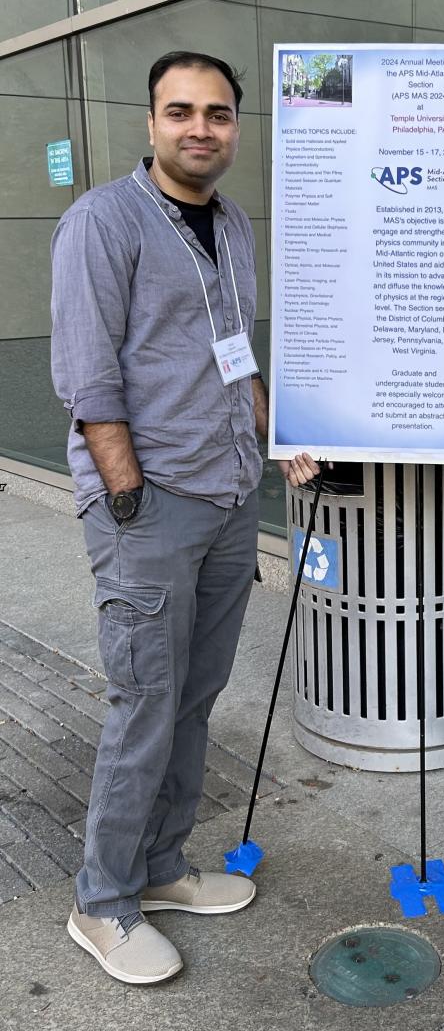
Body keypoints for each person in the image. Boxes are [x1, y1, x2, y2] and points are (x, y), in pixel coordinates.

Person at [51, 50, 320, 984]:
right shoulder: (103, 221)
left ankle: (158, 868)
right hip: (150, 504)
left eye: (216, 113)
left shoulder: (233, 224)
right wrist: (125, 501)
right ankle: (102, 900)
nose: (198, 128)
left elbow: (234, 351)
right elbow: (89, 373)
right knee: (143, 707)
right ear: (152, 121)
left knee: (196, 698)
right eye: (180, 112)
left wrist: (274, 434)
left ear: (234, 126)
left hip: (227, 496)